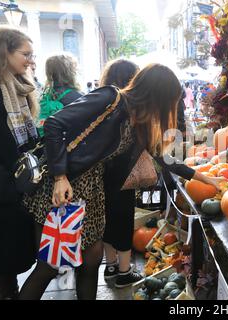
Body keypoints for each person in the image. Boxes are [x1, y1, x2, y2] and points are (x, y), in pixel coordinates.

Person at [20, 63, 227, 300]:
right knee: (49, 266)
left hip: (92, 192)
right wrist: (59, 176)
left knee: (91, 262)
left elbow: (164, 158)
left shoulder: (140, 120)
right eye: (170, 101)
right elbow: (54, 124)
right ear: (157, 95)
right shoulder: (110, 98)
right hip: (63, 188)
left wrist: (205, 177)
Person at [0, 27, 38, 300]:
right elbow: (0, 138)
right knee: (3, 251)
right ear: (4, 52)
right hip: (0, 183)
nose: (31, 60)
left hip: (13, 180)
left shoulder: (16, 84)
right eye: (26, 54)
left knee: (9, 250)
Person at [98, 58, 143, 287]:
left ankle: (111, 266)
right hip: (124, 171)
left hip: (101, 170)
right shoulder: (129, 105)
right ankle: (124, 273)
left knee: (106, 218)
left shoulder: (102, 100)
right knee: (124, 218)